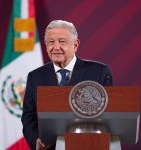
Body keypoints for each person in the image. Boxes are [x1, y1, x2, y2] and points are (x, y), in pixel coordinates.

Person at [21, 20, 113, 150]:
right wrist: (37, 139)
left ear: (75, 45)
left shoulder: (99, 72)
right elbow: (29, 117)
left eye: (62, 41)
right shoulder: (35, 77)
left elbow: (109, 114)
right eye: (51, 42)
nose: (56, 47)